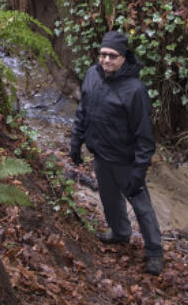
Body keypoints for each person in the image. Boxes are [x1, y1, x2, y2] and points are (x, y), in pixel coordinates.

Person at [69, 30, 164, 276]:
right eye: (102, 54)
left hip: (126, 161)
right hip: (100, 155)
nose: (106, 60)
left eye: (112, 56)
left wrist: (139, 170)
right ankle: (120, 233)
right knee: (110, 200)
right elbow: (83, 111)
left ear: (123, 58)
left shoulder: (135, 90)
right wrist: (76, 142)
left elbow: (144, 137)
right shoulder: (92, 75)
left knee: (142, 207)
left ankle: (154, 251)